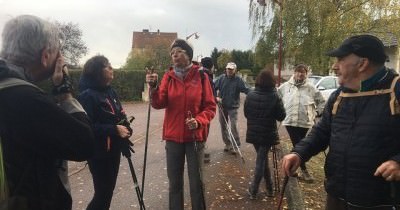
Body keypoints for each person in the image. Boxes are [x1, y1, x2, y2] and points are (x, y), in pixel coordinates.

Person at [282, 34, 400, 209]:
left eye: (340, 59)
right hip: (336, 196)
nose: (334, 66)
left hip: (379, 202)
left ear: (362, 63)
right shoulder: (339, 95)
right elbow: (322, 131)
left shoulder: (396, 91)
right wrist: (299, 153)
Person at [0, 15, 94, 210]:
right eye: (57, 53)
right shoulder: (25, 98)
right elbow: (84, 143)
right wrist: (65, 93)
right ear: (45, 56)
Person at [146, 39, 216, 210]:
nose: (174, 55)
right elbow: (158, 103)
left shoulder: (201, 76)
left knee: (196, 184)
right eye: (172, 53)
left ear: (188, 55)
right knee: (175, 185)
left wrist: (198, 121)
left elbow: (210, 107)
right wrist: (153, 88)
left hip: (194, 138)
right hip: (173, 138)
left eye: (178, 51)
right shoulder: (168, 77)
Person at [77, 55, 133, 210]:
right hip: (99, 153)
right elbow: (87, 127)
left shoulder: (111, 92)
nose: (111, 68)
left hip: (114, 149)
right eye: (107, 66)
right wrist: (113, 129)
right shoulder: (87, 96)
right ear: (97, 72)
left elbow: (119, 115)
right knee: (102, 194)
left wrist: (126, 127)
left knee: (107, 193)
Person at [277, 64, 325, 182]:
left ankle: (291, 166)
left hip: (305, 121)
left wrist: (318, 112)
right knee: (297, 143)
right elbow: (276, 98)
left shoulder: (311, 87)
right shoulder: (285, 86)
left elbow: (321, 101)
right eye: (298, 72)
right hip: (290, 120)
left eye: (302, 72)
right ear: (294, 73)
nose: (300, 74)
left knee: (299, 144)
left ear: (306, 74)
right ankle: (304, 171)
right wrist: (279, 112)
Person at [244, 69, 286, 200]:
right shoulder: (275, 95)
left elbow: (246, 113)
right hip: (267, 133)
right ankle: (254, 189)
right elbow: (281, 116)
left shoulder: (250, 95)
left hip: (254, 132)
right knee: (261, 161)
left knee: (261, 160)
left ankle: (269, 187)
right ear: (272, 81)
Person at [214, 62, 251, 154]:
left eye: (231, 69)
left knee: (233, 126)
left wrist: (256, 95)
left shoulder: (238, 80)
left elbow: (247, 90)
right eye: (228, 69)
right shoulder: (221, 78)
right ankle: (228, 144)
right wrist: (216, 97)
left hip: (233, 107)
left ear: (235, 70)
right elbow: (212, 87)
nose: (229, 71)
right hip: (222, 106)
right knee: (223, 126)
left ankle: (236, 145)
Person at [200, 57, 216, 164]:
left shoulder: (200, 74)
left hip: (199, 109)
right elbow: (208, 95)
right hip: (204, 110)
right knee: (204, 130)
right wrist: (216, 99)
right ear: (211, 66)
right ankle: (201, 152)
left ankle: (201, 151)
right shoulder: (206, 77)